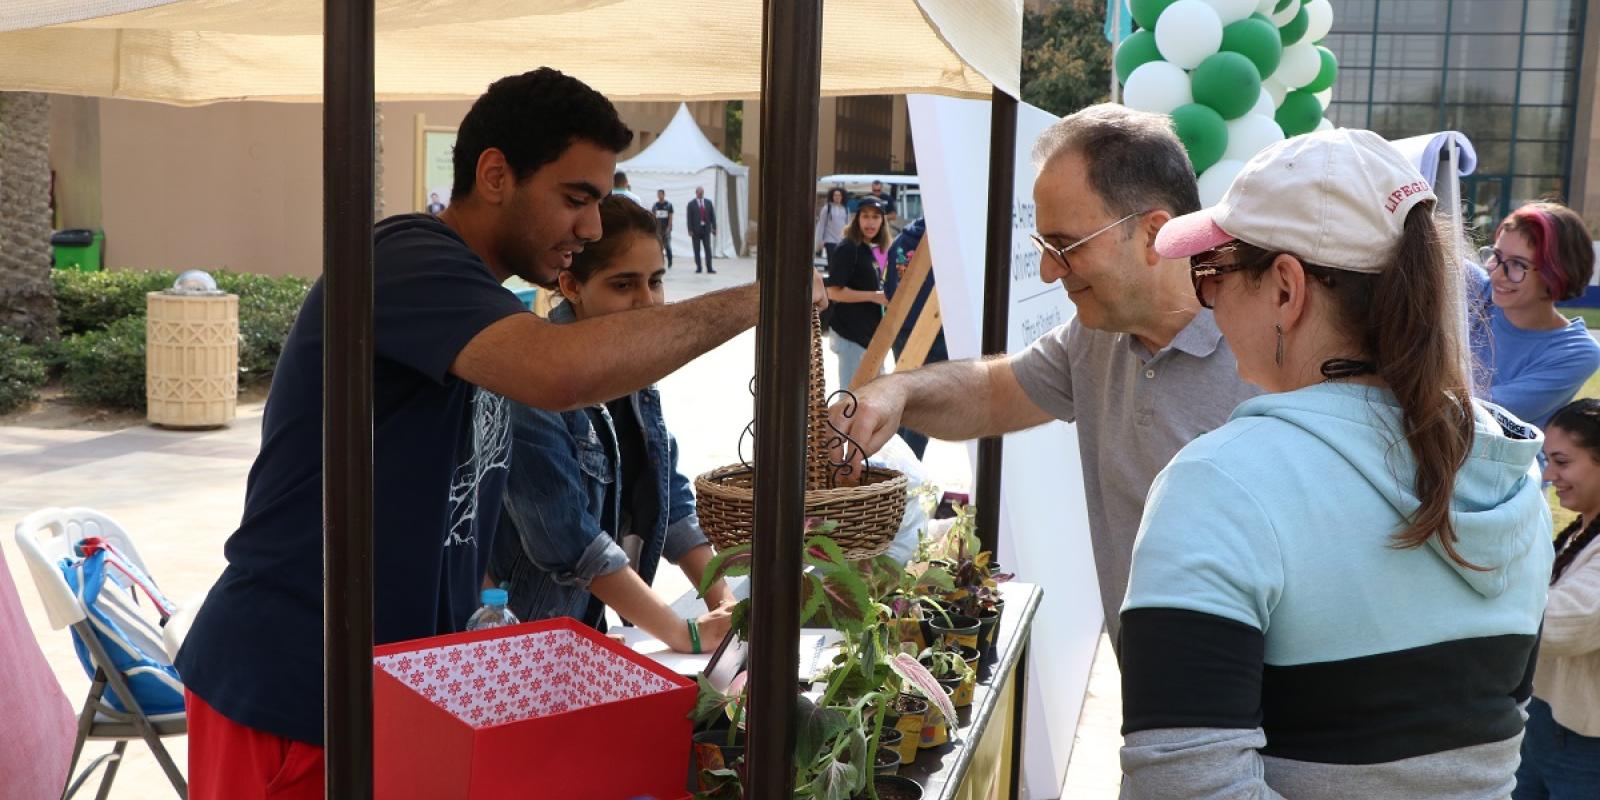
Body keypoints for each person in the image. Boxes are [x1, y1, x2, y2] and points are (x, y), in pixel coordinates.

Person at [173, 68, 825, 799]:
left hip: (395, 696)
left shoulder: (485, 303)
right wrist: (763, 298)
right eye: (576, 199)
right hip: (291, 689)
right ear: (493, 174)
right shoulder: (403, 258)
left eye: (600, 203)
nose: (590, 228)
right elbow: (560, 373)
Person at [1120, 129, 1550, 798]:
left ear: (1286, 288)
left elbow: (1182, 781)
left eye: (1212, 273)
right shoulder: (1513, 470)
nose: (1209, 298)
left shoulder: (1220, 484)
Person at [829, 104, 1259, 644]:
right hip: (1155, 692)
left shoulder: (1270, 347)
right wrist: (898, 391)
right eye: (1044, 246)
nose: (1050, 271)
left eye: (1066, 246)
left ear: (1155, 233)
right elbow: (993, 391)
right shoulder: (1097, 335)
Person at [489, 196, 734, 654]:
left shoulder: (634, 372)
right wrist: (685, 633)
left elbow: (670, 496)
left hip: (585, 633)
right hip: (519, 647)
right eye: (624, 285)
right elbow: (569, 540)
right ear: (571, 284)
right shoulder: (533, 379)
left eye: (656, 282)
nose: (648, 303)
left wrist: (725, 604)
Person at [1515, 397, 1600, 799]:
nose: (1549, 474)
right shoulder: (1584, 529)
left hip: (1587, 744)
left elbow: (1571, 624)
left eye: (1562, 462)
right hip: (1545, 720)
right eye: (1548, 461)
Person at [1470, 202, 1600, 429]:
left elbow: (1485, 412)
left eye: (1518, 264)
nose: (1497, 274)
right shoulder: (1472, 287)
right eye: (1497, 256)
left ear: (1557, 273)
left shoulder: (1576, 352)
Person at [881, 217, 947, 459]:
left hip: (901, 327)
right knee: (925, 405)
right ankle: (907, 467)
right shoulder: (944, 241)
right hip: (934, 330)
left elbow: (888, 290)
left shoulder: (900, 241)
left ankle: (894, 462)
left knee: (903, 397)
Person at [825, 195, 891, 390]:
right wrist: (873, 296)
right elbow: (833, 292)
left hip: (867, 336)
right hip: (851, 336)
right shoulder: (848, 248)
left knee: (871, 398)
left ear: (882, 221)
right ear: (857, 219)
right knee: (850, 400)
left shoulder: (867, 248)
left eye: (876, 217)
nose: (870, 222)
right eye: (866, 216)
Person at [688, 186, 717, 273]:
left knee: (708, 249)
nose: (700, 194)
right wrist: (690, 229)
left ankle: (709, 267)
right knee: (696, 249)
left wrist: (714, 227)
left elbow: (713, 216)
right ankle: (699, 267)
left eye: (702, 193)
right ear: (696, 193)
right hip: (696, 230)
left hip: (706, 229)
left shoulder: (708, 203)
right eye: (699, 193)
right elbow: (689, 218)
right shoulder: (691, 204)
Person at [815, 187, 849, 259]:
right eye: (835, 195)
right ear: (832, 196)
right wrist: (820, 240)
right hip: (829, 240)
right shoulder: (827, 208)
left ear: (842, 197)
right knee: (832, 261)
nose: (837, 197)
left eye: (839, 195)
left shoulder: (845, 209)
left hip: (842, 240)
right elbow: (821, 224)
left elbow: (848, 225)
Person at [652, 188, 674, 268]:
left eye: (660, 194)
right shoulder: (655, 205)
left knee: (667, 246)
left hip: (666, 229)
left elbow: (670, 217)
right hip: (658, 229)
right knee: (659, 246)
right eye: (658, 194)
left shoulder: (668, 205)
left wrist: (669, 227)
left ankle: (670, 261)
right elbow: (653, 216)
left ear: (663, 195)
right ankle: (660, 262)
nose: (659, 196)